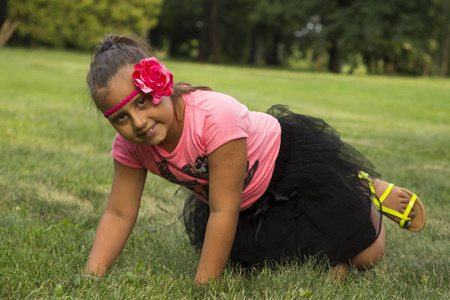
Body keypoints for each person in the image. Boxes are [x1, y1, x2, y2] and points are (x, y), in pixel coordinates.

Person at [84, 34, 426, 283]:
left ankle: (360, 188)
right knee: (271, 262)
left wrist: (203, 288)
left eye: (142, 102)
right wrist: (91, 278)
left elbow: (223, 210)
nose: (138, 122)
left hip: (290, 173)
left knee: (367, 257)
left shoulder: (215, 117)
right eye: (120, 117)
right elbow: (119, 213)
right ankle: (330, 255)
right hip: (241, 200)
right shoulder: (129, 146)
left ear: (161, 83)